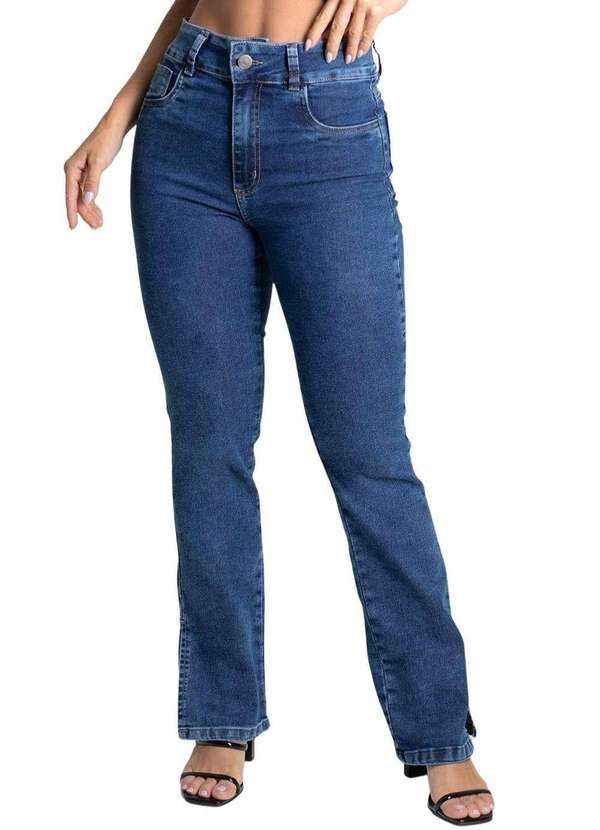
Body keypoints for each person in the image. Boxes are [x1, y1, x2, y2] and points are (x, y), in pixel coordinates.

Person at [64, 1, 495, 823]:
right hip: (186, 110)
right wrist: (118, 114)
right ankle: (222, 717)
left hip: (325, 118)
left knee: (370, 456)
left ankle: (440, 732)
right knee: (208, 446)